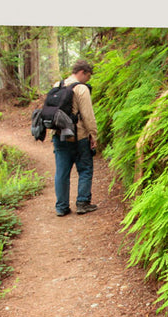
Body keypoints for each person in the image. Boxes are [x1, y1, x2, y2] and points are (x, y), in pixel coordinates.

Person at [53, 60, 98, 216]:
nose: (88, 80)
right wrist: (93, 134)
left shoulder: (57, 85)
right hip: (78, 136)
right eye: (88, 76)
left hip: (59, 136)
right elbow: (87, 115)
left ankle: (61, 207)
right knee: (85, 169)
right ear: (82, 72)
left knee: (61, 172)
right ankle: (82, 203)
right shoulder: (81, 88)